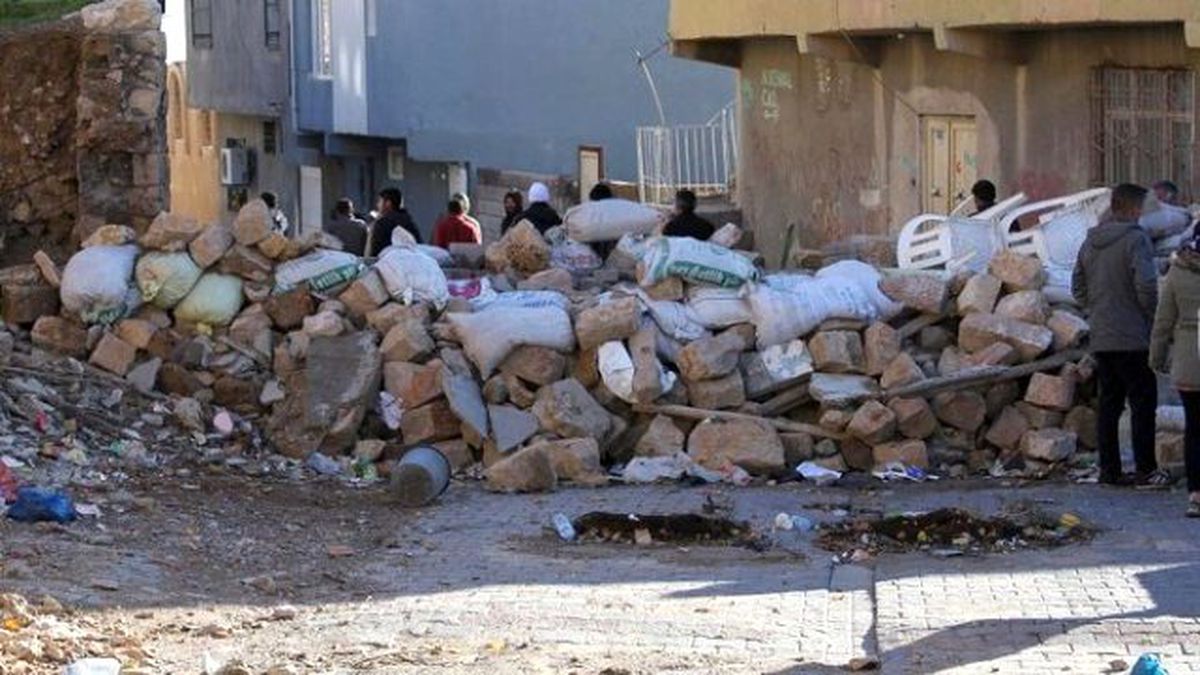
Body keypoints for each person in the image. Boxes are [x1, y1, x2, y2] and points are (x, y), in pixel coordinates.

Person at [1072, 183, 1170, 487]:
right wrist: (1151, 317)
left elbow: (1077, 287)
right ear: (1133, 209)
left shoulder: (1090, 242)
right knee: (1143, 402)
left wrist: (1098, 309)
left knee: (1109, 404)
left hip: (1102, 334)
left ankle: (1109, 470)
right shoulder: (1136, 240)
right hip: (1132, 336)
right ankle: (1145, 469)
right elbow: (1146, 285)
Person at [1150, 234, 1200, 516]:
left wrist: (1156, 357)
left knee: (1195, 428)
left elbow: (1163, 321)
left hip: (1189, 361)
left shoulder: (1177, 272)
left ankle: (1196, 495)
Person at [369, 187, 421, 256]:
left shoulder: (382, 223)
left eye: (379, 201)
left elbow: (375, 252)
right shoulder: (409, 221)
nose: (377, 205)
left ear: (388, 203)